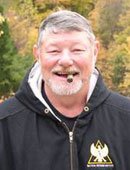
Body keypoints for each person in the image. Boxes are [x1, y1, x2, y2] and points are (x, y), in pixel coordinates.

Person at [0, 10, 130, 170]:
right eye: (54, 51)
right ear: (37, 54)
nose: (66, 61)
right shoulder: (4, 123)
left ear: (95, 51)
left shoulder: (126, 118)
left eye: (77, 50)